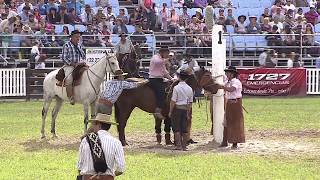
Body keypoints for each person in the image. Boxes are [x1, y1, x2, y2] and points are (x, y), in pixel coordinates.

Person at [77, 113, 125, 180]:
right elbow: (120, 168)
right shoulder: (116, 142)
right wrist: (111, 175)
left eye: (94, 124)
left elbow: (80, 166)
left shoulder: (86, 140)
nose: (92, 127)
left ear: (99, 125)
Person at [219, 66, 245, 149]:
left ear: (232, 74)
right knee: (226, 121)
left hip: (235, 103)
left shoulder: (236, 82)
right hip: (230, 103)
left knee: (235, 122)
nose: (226, 74)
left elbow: (231, 89)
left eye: (228, 73)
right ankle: (225, 140)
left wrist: (222, 87)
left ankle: (234, 142)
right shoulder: (227, 81)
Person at [169, 71, 193, 151]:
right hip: (185, 109)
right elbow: (190, 103)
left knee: (176, 128)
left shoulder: (176, 88)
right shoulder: (190, 89)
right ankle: (184, 146)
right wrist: (188, 112)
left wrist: (170, 111)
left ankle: (178, 145)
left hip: (177, 109)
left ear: (179, 77)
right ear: (186, 78)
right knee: (184, 128)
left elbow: (173, 101)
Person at [61, 30, 86, 105]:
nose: (78, 38)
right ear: (71, 37)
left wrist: (82, 62)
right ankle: (70, 97)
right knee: (69, 79)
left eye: (79, 37)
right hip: (69, 66)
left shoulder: (79, 46)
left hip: (79, 65)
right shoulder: (66, 45)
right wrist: (73, 64)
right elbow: (64, 58)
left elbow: (83, 55)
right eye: (76, 37)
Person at [149, 46, 173, 119]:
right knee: (161, 92)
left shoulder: (161, 59)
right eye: (167, 53)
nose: (167, 55)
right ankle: (157, 111)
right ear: (162, 52)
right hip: (154, 79)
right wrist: (167, 59)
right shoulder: (155, 57)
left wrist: (171, 79)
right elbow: (157, 62)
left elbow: (164, 72)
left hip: (160, 79)